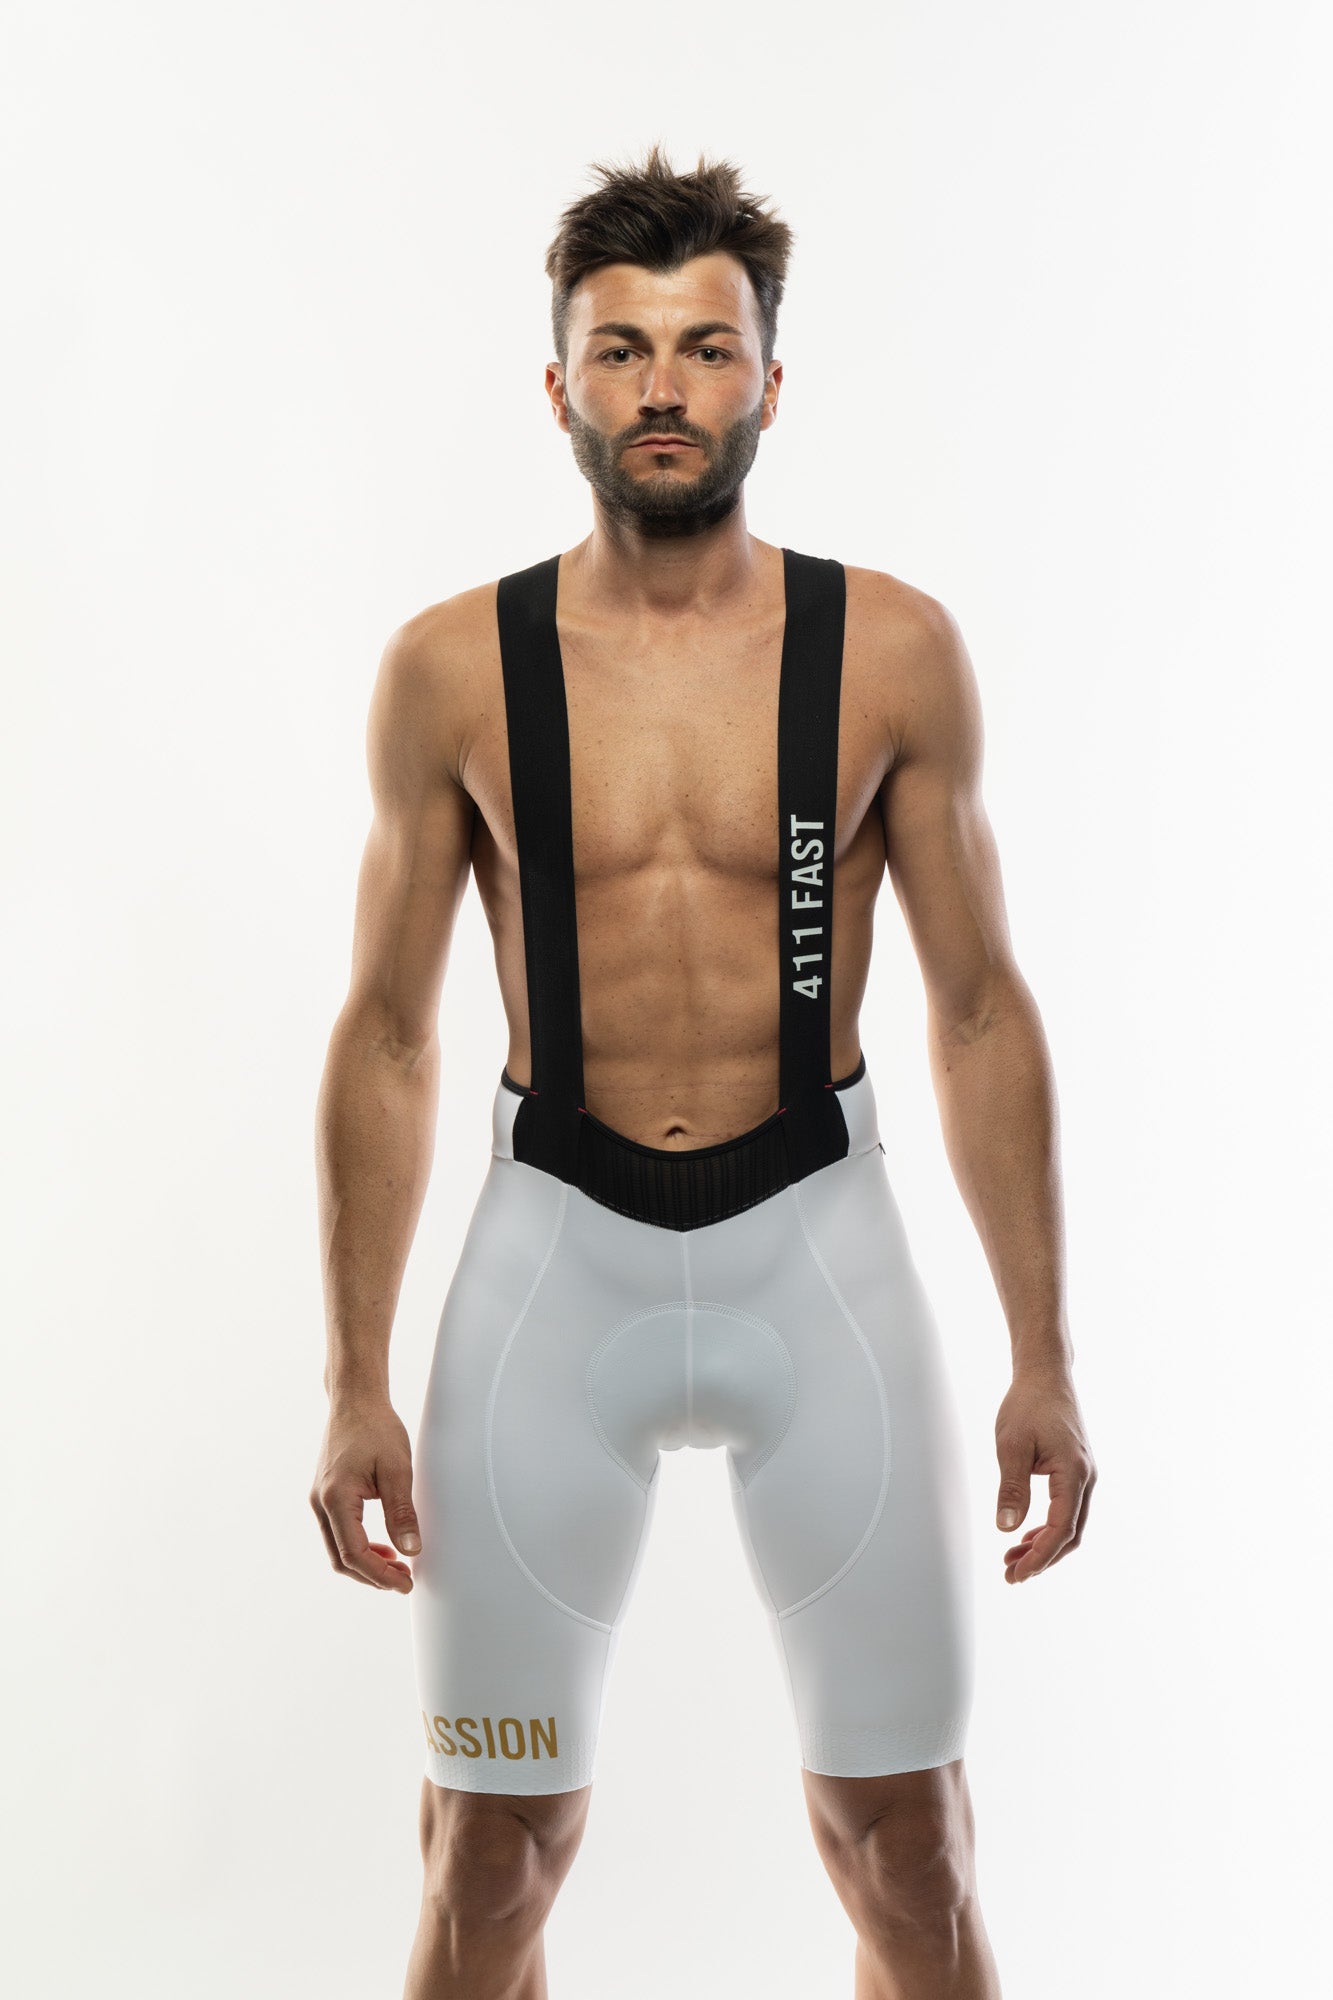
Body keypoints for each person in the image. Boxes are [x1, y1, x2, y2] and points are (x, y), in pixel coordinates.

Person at [310, 143, 1096, 2000]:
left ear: (767, 379)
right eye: (622, 349)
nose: (662, 385)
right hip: (553, 1259)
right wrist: (351, 1379)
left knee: (911, 1857)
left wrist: (1042, 1351)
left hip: (814, 1251)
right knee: (487, 1864)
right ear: (559, 385)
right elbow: (391, 1028)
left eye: (704, 347)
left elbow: (979, 1008)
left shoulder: (888, 652)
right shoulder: (451, 669)